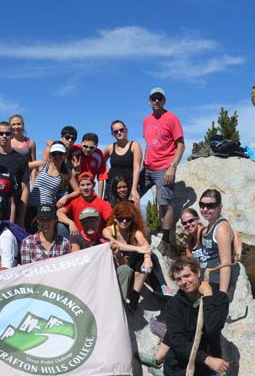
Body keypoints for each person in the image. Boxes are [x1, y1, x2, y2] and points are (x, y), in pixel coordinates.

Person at [140, 87, 185, 253]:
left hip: (164, 167)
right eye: (153, 98)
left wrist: (172, 167)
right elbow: (149, 144)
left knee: (164, 203)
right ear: (149, 101)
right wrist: (144, 162)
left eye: (159, 98)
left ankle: (165, 240)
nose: (156, 101)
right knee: (132, 194)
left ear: (164, 100)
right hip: (148, 167)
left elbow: (180, 144)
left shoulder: (171, 118)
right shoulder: (146, 120)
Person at [103, 201, 153, 309]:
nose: (124, 221)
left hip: (131, 264)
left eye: (128, 219)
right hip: (118, 265)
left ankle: (135, 294)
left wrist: (147, 258)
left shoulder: (135, 232)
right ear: (115, 218)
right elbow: (116, 244)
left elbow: (146, 247)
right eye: (121, 218)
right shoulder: (108, 231)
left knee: (144, 265)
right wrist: (138, 249)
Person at [192, 189, 239, 295]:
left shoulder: (221, 228)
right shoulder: (209, 227)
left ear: (219, 207)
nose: (205, 209)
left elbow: (225, 264)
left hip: (214, 284)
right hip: (204, 282)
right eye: (202, 205)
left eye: (210, 206)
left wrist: (222, 294)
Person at [25, 141, 79, 232]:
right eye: (55, 154)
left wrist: (66, 197)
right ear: (51, 155)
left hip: (47, 210)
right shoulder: (43, 164)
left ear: (65, 155)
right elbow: (21, 166)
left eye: (60, 153)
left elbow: (78, 190)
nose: (57, 156)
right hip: (31, 208)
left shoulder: (67, 172)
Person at [57, 171, 113, 239]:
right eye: (82, 185)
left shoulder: (102, 203)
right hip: (79, 239)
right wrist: (71, 223)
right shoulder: (74, 201)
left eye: (88, 184)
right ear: (79, 187)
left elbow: (112, 220)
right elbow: (59, 213)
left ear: (94, 185)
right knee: (60, 226)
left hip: (97, 240)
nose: (85, 188)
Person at [0, 121, 30, 227]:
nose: (4, 136)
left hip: (13, 213)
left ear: (12, 135)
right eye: (1, 133)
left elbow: (25, 189)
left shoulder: (21, 159)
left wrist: (21, 218)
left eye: (7, 133)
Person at [102, 120, 142, 205]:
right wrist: (106, 170)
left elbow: (136, 168)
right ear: (112, 134)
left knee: (131, 213)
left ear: (126, 130)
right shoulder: (110, 148)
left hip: (129, 185)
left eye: (121, 130)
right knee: (110, 214)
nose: (119, 133)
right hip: (112, 186)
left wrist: (134, 189)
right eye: (116, 131)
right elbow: (100, 161)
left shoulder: (135, 146)